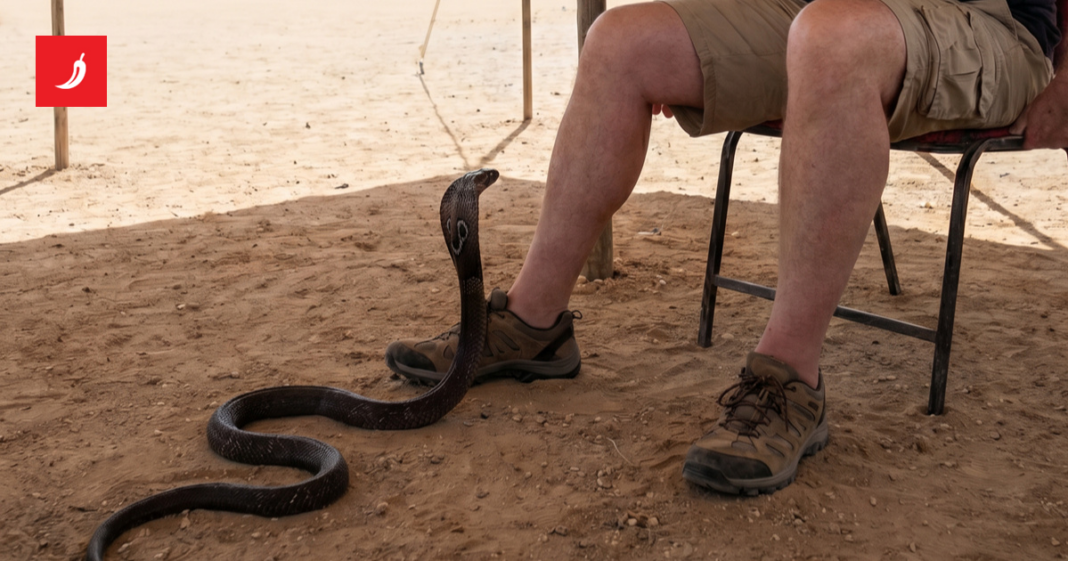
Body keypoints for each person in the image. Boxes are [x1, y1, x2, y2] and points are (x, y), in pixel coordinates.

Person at [386, 0, 1067, 495]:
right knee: (621, 41)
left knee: (829, 42)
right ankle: (532, 323)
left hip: (984, 20)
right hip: (816, 12)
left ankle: (788, 380)